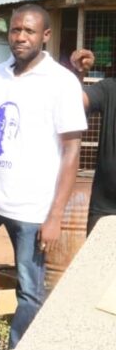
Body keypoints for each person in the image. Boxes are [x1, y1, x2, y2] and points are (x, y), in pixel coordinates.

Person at [0, 4, 86, 349]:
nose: (20, 37)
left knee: (29, 289)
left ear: (46, 35)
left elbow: (72, 150)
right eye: (15, 30)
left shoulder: (61, 82)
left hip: (32, 208)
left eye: (28, 31)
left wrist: (54, 215)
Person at [69, 48, 116, 234]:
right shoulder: (109, 88)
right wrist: (79, 73)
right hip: (106, 206)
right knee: (98, 263)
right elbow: (73, 103)